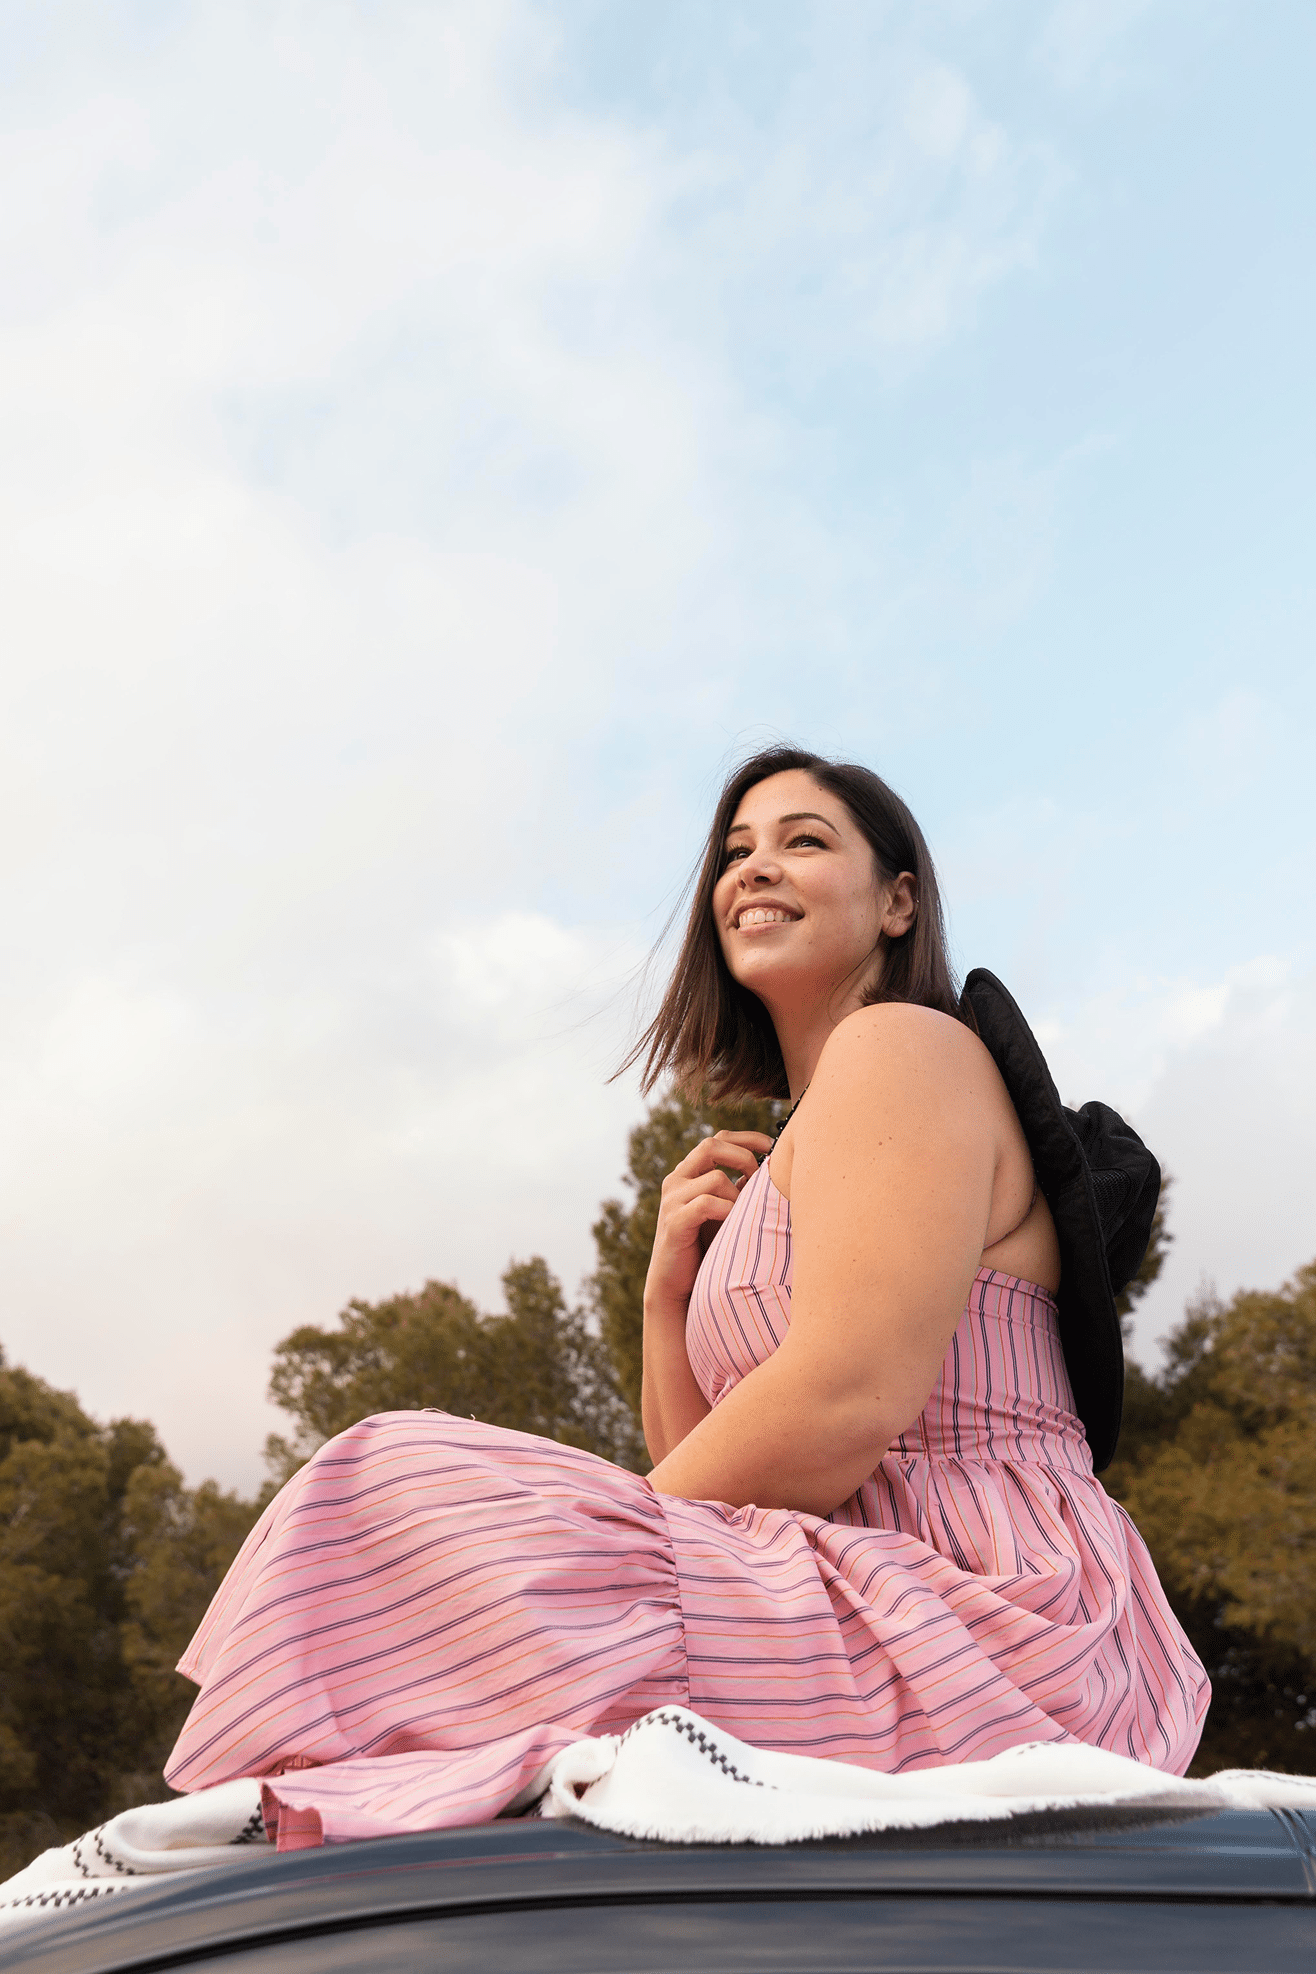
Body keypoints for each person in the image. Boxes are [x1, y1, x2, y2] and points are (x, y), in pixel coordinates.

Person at [165, 748, 1208, 1849]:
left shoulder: (903, 1046)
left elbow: (847, 1398)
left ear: (898, 902)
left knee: (389, 1483)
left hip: (991, 1602)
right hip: (838, 1581)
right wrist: (668, 1296)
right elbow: (714, 1481)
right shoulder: (797, 1138)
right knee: (407, 1522)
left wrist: (575, 1555)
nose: (753, 869)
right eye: (734, 852)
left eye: (803, 841)